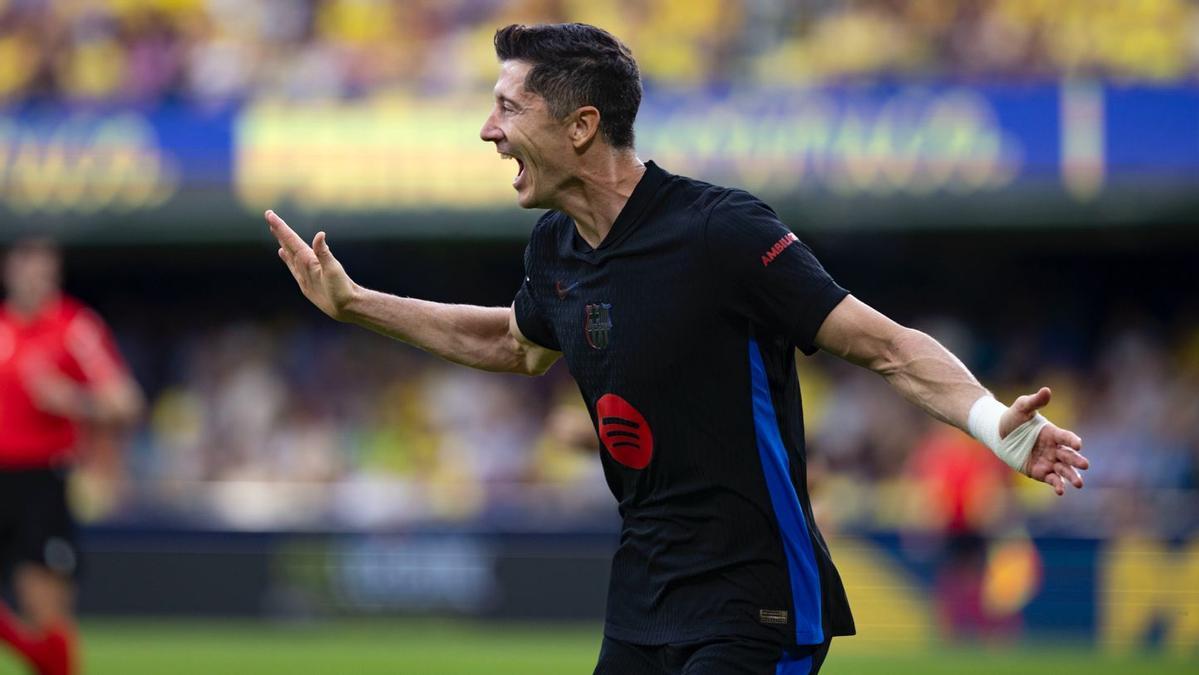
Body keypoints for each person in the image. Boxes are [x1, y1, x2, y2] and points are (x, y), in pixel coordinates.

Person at [265, 23, 1089, 675]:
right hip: (643, 595)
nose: (488, 130)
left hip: (753, 600)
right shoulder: (556, 249)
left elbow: (882, 344)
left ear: (582, 125)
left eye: (508, 108)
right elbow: (514, 344)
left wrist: (995, 424)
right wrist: (356, 303)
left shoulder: (721, 230)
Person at [0, 238, 143, 675]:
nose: (37, 278)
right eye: (28, 267)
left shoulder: (74, 326)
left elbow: (127, 403)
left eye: (46, 271)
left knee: (47, 615)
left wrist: (71, 400)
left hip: (42, 481)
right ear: (10, 270)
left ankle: (45, 660)